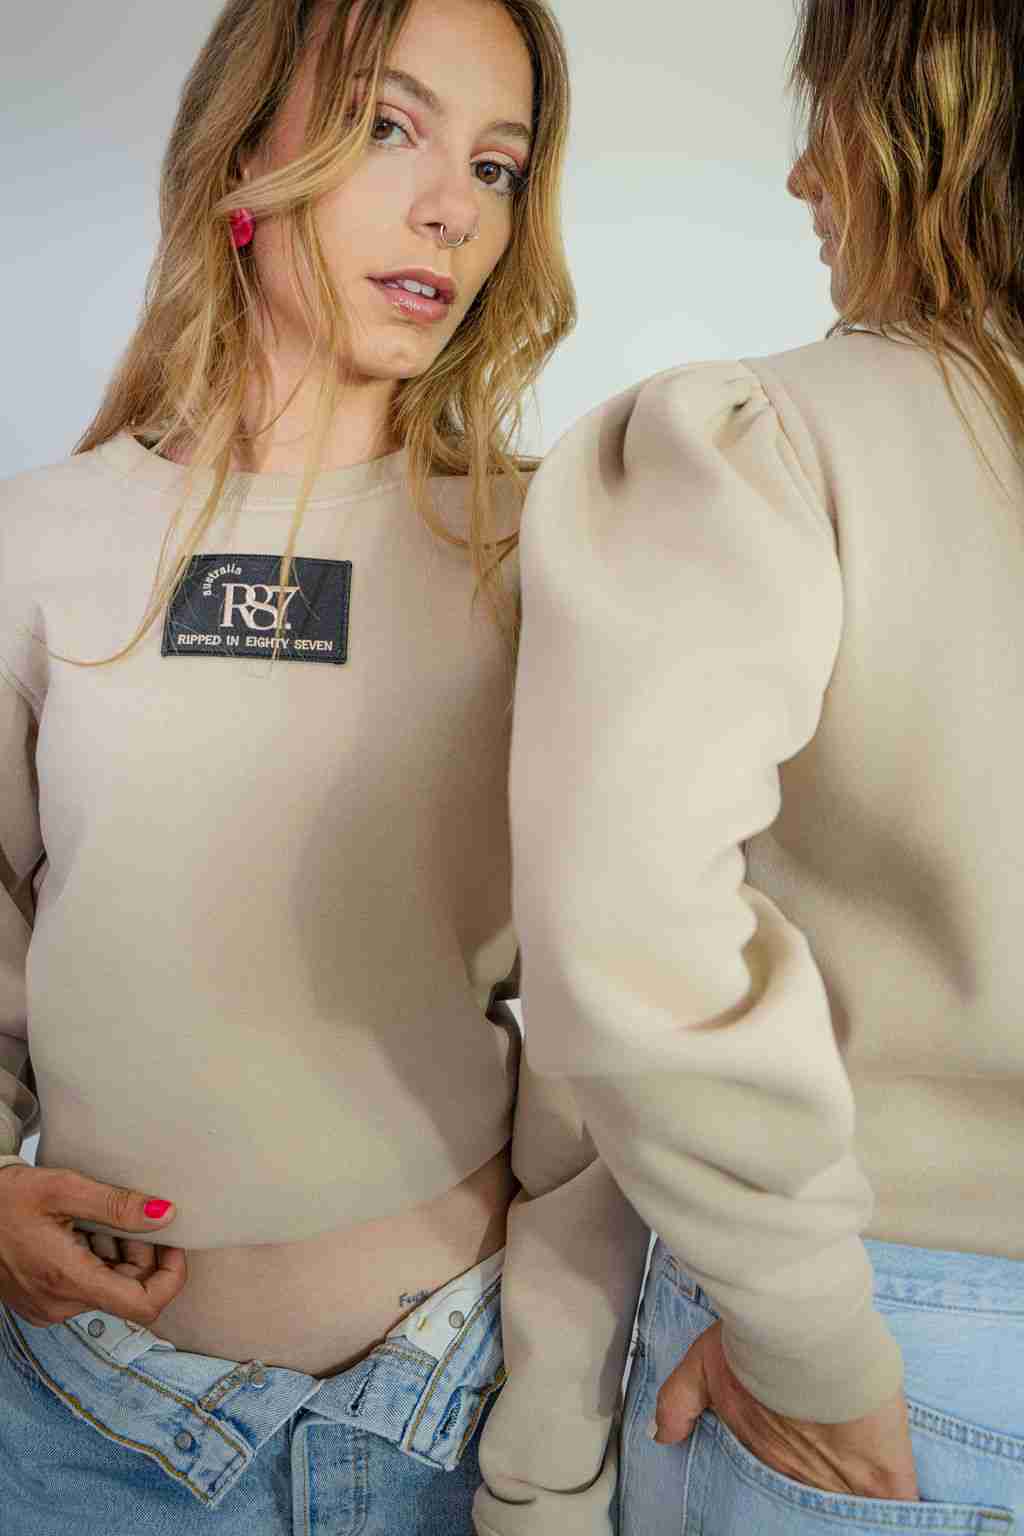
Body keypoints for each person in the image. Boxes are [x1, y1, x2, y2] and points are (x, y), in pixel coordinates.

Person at [0, 3, 649, 1533]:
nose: (451, 209)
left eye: (496, 166)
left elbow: (599, 1029)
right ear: (243, 154)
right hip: (89, 1426)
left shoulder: (544, 555)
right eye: (390, 127)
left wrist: (551, 1456)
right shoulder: (41, 540)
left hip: (442, 1412)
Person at [509, 0, 1024, 1532]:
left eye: (832, 119)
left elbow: (625, 923)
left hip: (881, 1333)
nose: (805, 177)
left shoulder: (774, 443)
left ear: (925, 127)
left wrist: (808, 1334)